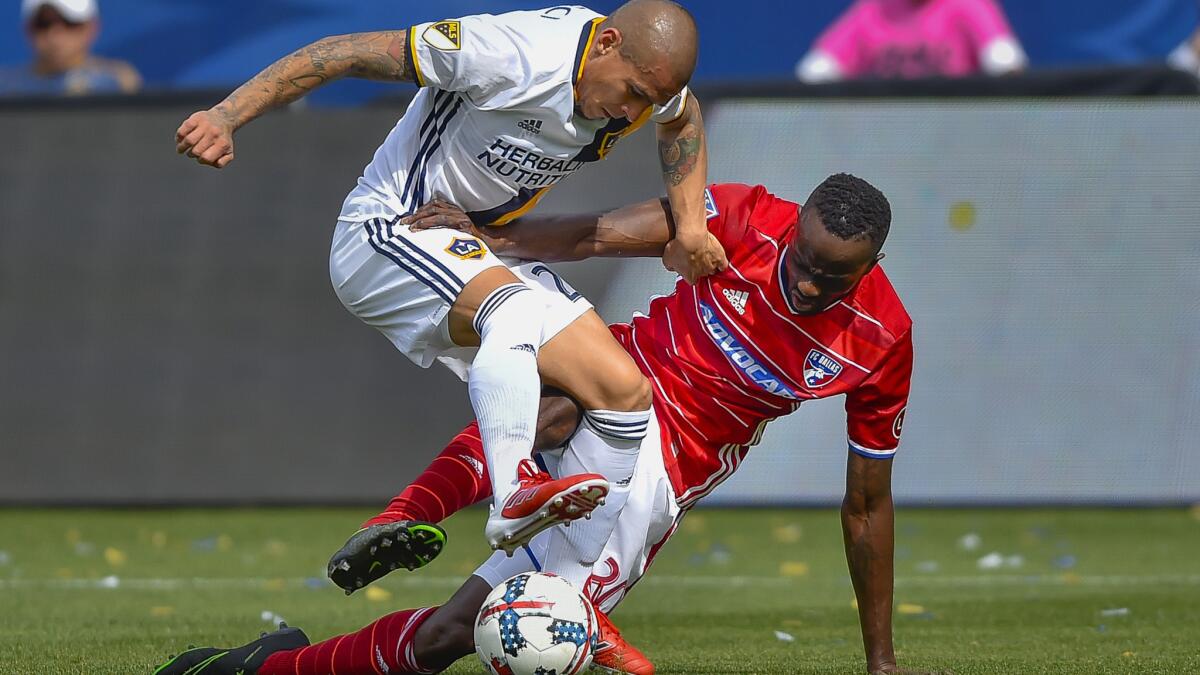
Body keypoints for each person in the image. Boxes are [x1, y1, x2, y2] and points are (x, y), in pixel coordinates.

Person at [156, 174, 928, 675]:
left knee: (454, 635)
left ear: (875, 262)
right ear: (793, 230)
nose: (805, 281)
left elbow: (867, 504)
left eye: (833, 275)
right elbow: (602, 230)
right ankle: (408, 512)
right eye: (802, 258)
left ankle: (263, 667)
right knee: (559, 385)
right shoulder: (748, 217)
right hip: (621, 375)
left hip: (657, 479)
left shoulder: (882, 337)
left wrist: (882, 661)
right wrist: (498, 237)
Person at [174, 1, 728, 570]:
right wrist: (226, 116)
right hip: (387, 230)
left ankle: (571, 588)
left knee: (622, 394)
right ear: (607, 42)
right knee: (509, 309)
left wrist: (690, 228)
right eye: (632, 92)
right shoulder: (508, 53)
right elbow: (339, 52)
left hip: (473, 249)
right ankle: (513, 493)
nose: (630, 110)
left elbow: (681, 119)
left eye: (645, 101)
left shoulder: (648, 86)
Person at [796, 0, 1027, 83]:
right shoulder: (873, 10)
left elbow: (1006, 65)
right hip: (893, 137)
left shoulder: (968, 5)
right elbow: (815, 72)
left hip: (960, 136)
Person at [0, 0, 140, 96]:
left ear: (91, 28)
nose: (55, 35)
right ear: (28, 29)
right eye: (44, 23)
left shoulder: (119, 83)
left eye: (69, 23)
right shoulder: (5, 88)